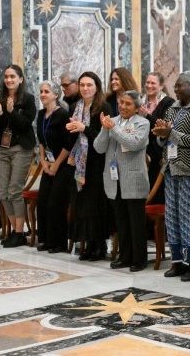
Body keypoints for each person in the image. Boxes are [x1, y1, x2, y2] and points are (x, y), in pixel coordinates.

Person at [152, 71, 190, 281]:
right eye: (175, 86)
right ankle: (178, 262)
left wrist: (171, 134)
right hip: (171, 168)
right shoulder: (172, 108)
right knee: (173, 217)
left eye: (180, 86)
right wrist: (161, 136)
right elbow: (164, 137)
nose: (175, 89)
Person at [94, 90, 150, 271]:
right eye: (121, 103)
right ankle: (125, 257)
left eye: (128, 104)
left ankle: (139, 259)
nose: (123, 107)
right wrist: (105, 128)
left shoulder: (143, 123)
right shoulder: (112, 121)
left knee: (136, 222)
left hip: (133, 179)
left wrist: (113, 128)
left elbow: (134, 143)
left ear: (137, 107)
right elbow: (99, 148)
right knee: (121, 221)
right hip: (114, 178)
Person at [0, 64, 36, 248]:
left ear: (20, 79)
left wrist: (11, 112)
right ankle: (16, 231)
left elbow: (24, 124)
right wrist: (0, 112)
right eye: (6, 76)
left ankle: (19, 232)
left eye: (13, 76)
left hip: (21, 148)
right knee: (3, 191)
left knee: (14, 190)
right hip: (3, 149)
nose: (9, 80)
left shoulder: (28, 99)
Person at [66, 71, 113, 261]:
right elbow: (72, 137)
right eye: (82, 85)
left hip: (97, 162)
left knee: (95, 205)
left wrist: (83, 128)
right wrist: (71, 129)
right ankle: (88, 244)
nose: (85, 88)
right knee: (82, 205)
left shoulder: (103, 106)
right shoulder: (75, 107)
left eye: (89, 85)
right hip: (80, 162)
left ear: (97, 87)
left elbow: (105, 137)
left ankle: (99, 245)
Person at [34, 81, 73, 253]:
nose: (43, 94)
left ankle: (58, 242)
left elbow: (68, 143)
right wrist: (43, 161)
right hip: (48, 164)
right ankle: (45, 239)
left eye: (46, 91)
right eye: (41, 91)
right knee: (42, 202)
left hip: (62, 165)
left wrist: (56, 164)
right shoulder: (41, 114)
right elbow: (41, 141)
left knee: (55, 203)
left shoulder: (63, 114)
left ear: (56, 95)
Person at [139, 72, 175, 204]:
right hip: (142, 153)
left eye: (153, 83)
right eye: (147, 82)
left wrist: (147, 116)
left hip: (159, 154)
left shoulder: (168, 102)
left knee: (158, 194)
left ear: (161, 86)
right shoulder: (140, 101)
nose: (149, 85)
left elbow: (165, 126)